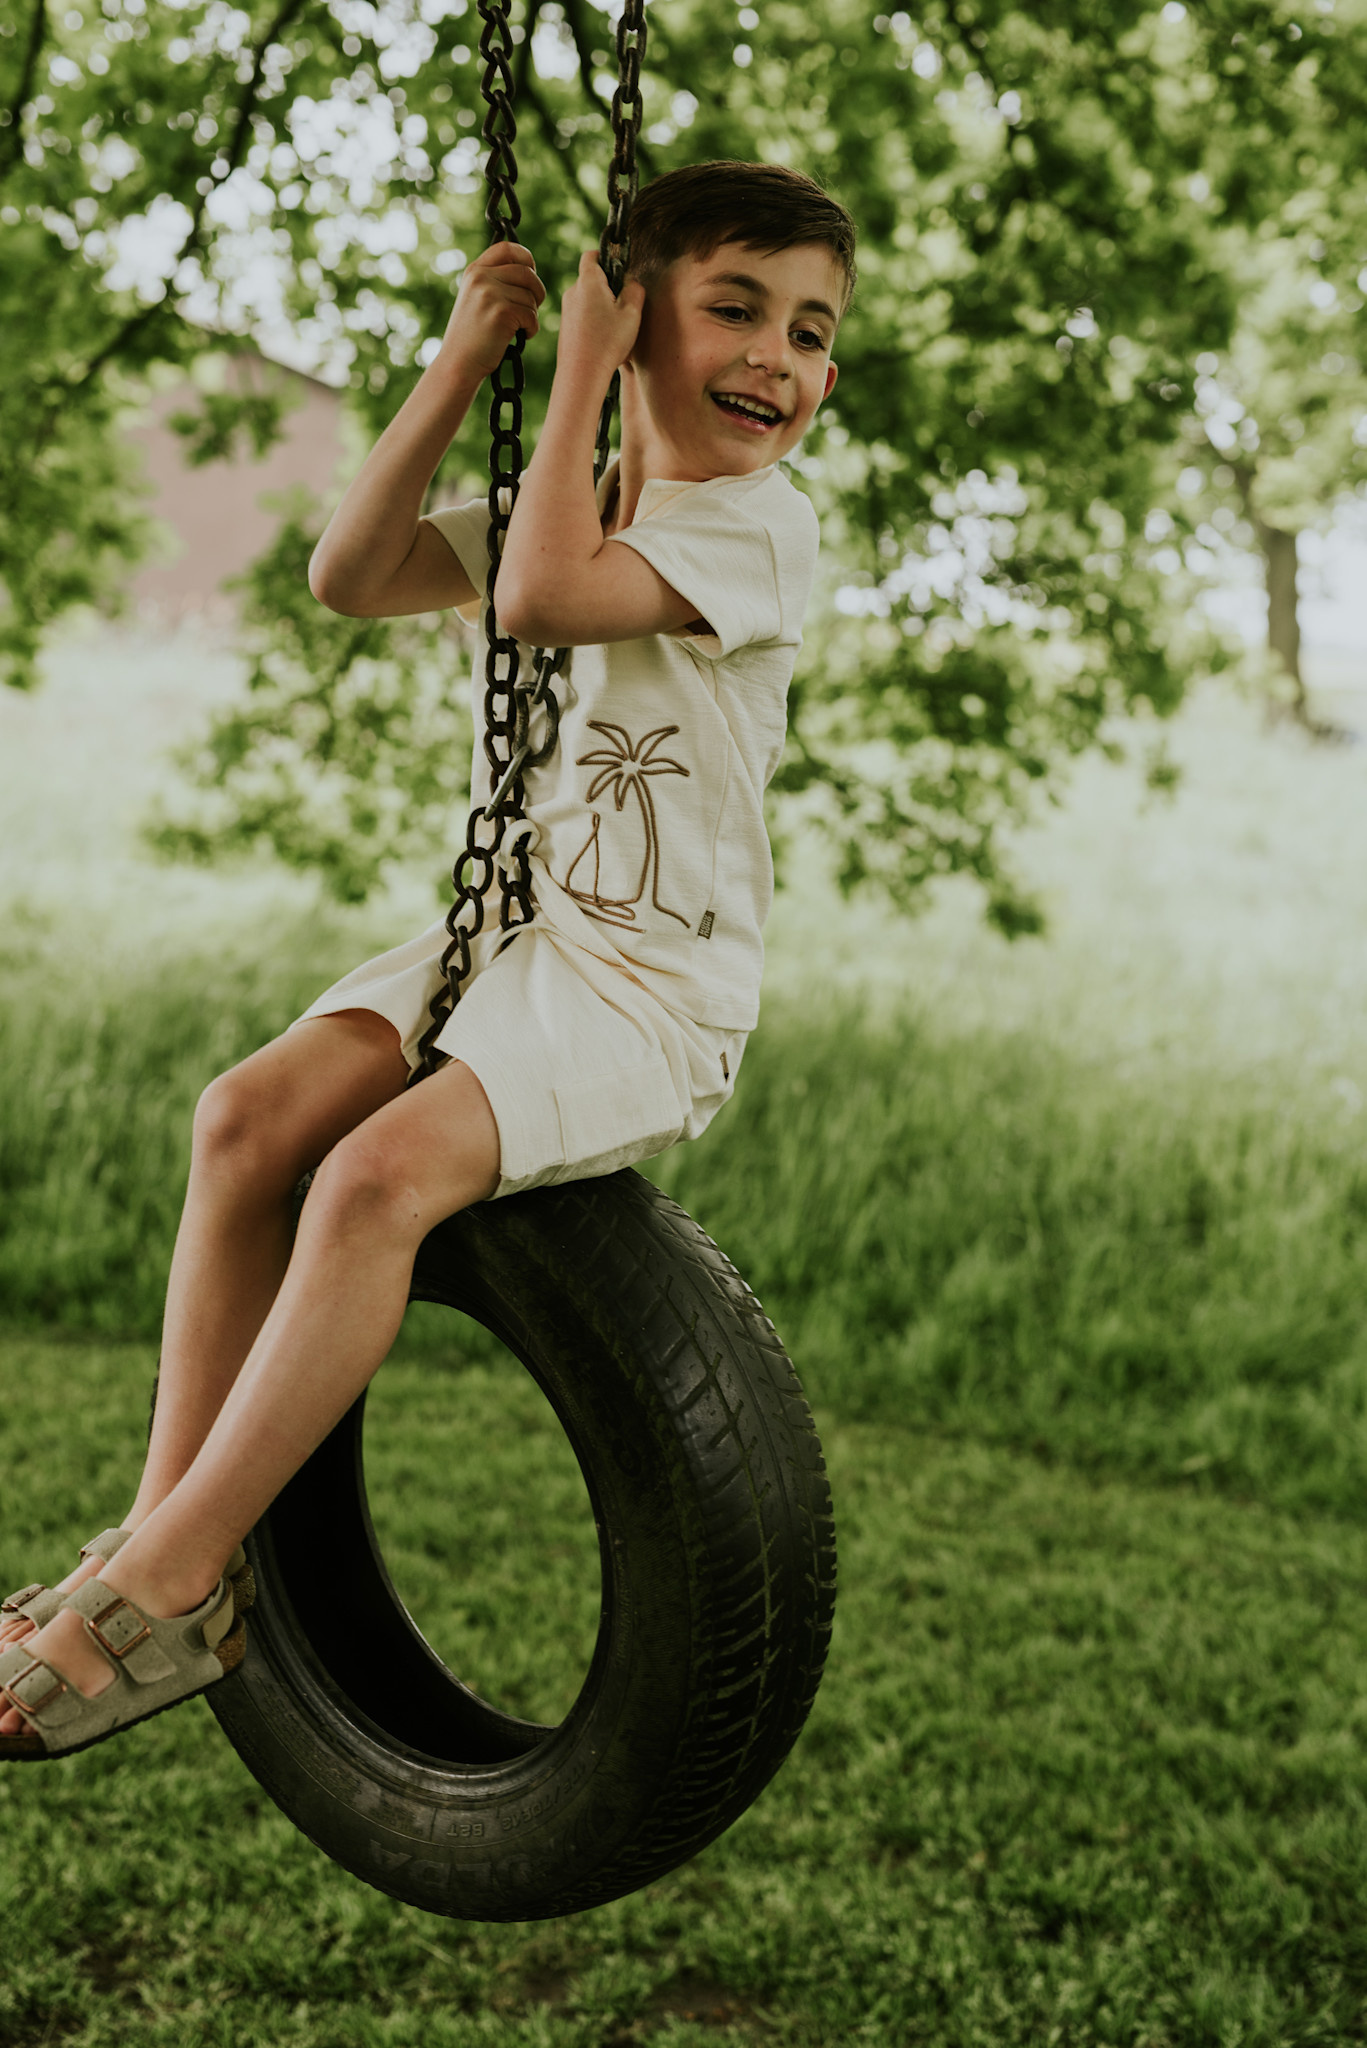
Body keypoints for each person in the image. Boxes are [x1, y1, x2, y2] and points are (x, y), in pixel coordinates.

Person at [0, 159, 857, 1758]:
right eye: (736, 306)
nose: (779, 360)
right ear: (642, 295)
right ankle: (157, 1532)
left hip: (644, 995)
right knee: (245, 1121)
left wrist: (588, 362)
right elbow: (350, 574)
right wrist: (471, 355)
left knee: (372, 1183)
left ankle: (175, 1578)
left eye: (813, 332)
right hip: (510, 943)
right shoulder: (580, 483)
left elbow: (540, 597)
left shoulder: (760, 526)